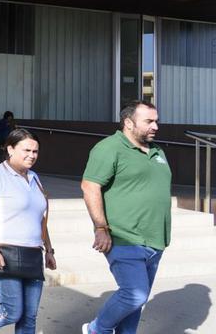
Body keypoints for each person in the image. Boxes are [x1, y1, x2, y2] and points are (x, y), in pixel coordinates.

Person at [81, 100, 171, 334]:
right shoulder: (109, 148)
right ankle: (96, 329)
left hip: (155, 240)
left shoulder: (157, 151)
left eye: (156, 121)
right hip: (124, 238)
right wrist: (101, 227)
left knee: (136, 306)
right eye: (149, 121)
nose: (155, 127)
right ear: (129, 123)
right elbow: (90, 186)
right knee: (135, 294)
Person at [0, 129, 56, 334]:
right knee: (11, 311)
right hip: (3, 251)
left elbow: (40, 218)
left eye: (35, 151)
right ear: (10, 149)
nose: (31, 155)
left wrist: (49, 250)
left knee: (29, 316)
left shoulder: (34, 178)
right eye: (26, 150)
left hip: (33, 253)